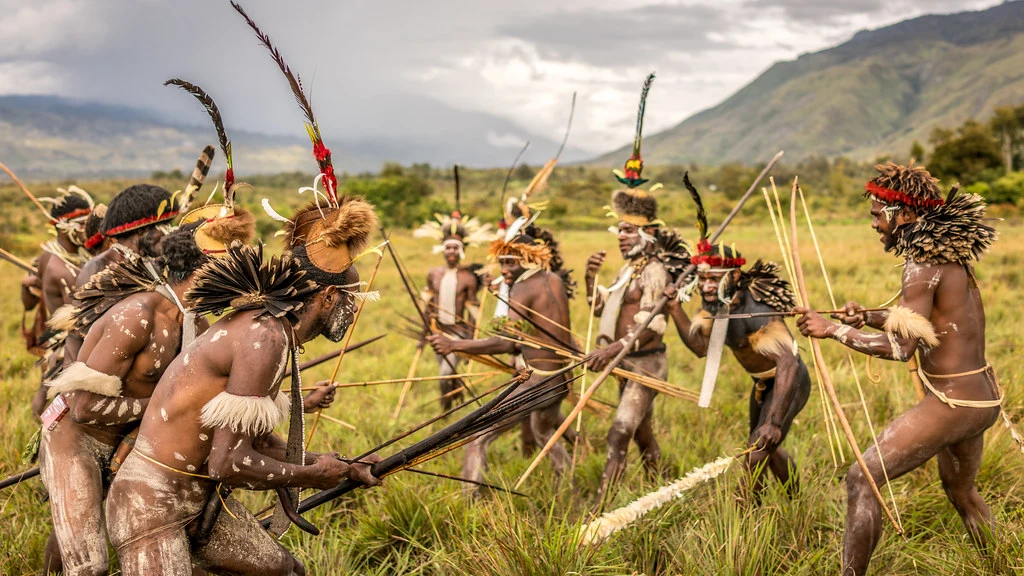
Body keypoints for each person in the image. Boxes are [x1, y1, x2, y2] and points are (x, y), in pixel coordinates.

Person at [105, 56, 381, 574]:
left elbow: (252, 442)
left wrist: (339, 468)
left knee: (288, 572)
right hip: (153, 503)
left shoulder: (274, 333)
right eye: (350, 298)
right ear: (324, 298)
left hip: (200, 500)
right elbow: (229, 462)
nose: (351, 310)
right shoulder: (264, 337)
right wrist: (309, 475)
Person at [795, 162, 1000, 576]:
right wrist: (866, 316)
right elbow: (928, 321)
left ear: (904, 214)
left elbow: (900, 348)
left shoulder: (920, 264)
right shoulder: (947, 257)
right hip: (981, 397)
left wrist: (831, 329)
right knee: (961, 493)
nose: (874, 223)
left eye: (876, 214)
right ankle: (1004, 563)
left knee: (861, 478)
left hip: (952, 403)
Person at [39, 225, 210, 576]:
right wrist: (161, 406)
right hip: (76, 440)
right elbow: (84, 408)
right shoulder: (137, 317)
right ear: (202, 271)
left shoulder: (198, 324)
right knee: (88, 566)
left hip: (131, 442)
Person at [664, 175, 810, 503]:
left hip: (790, 381)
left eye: (713, 279)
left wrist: (773, 419)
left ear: (733, 276)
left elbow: (787, 363)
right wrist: (675, 309)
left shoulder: (757, 310)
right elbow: (701, 350)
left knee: (759, 448)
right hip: (761, 384)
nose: (705, 286)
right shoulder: (714, 308)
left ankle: (745, 514)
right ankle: (796, 503)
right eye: (702, 280)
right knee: (763, 449)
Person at [584, 73, 683, 501]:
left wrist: (611, 349)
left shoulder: (654, 270)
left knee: (620, 430)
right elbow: (600, 309)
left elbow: (648, 326)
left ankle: (603, 508)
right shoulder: (628, 269)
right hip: (621, 361)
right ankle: (662, 482)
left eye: (628, 230)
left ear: (646, 233)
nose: (621, 236)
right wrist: (591, 279)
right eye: (618, 229)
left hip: (643, 363)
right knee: (642, 431)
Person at [428, 214, 575, 493]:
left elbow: (507, 343)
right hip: (561, 379)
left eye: (511, 263)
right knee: (545, 434)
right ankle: (573, 494)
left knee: (477, 436)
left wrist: (454, 345)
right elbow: (531, 331)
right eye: (502, 263)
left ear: (528, 259)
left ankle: (470, 506)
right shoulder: (553, 279)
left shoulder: (522, 288)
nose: (505, 269)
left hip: (539, 381)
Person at [414, 177, 489, 409]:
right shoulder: (433, 274)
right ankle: (457, 400)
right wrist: (422, 335)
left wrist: (472, 341)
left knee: (445, 373)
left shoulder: (468, 277)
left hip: (458, 334)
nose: (452, 252)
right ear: (442, 250)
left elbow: (473, 309)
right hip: (438, 331)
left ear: (462, 251)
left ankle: (445, 413)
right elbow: (428, 306)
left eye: (456, 248)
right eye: (448, 248)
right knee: (446, 370)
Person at [27, 186, 95, 415]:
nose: (87, 230)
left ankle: (37, 425)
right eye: (82, 224)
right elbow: (81, 315)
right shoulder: (62, 269)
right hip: (65, 341)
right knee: (58, 398)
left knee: (46, 390)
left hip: (58, 340)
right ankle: (42, 434)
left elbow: (33, 288)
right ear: (64, 227)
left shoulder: (48, 254)